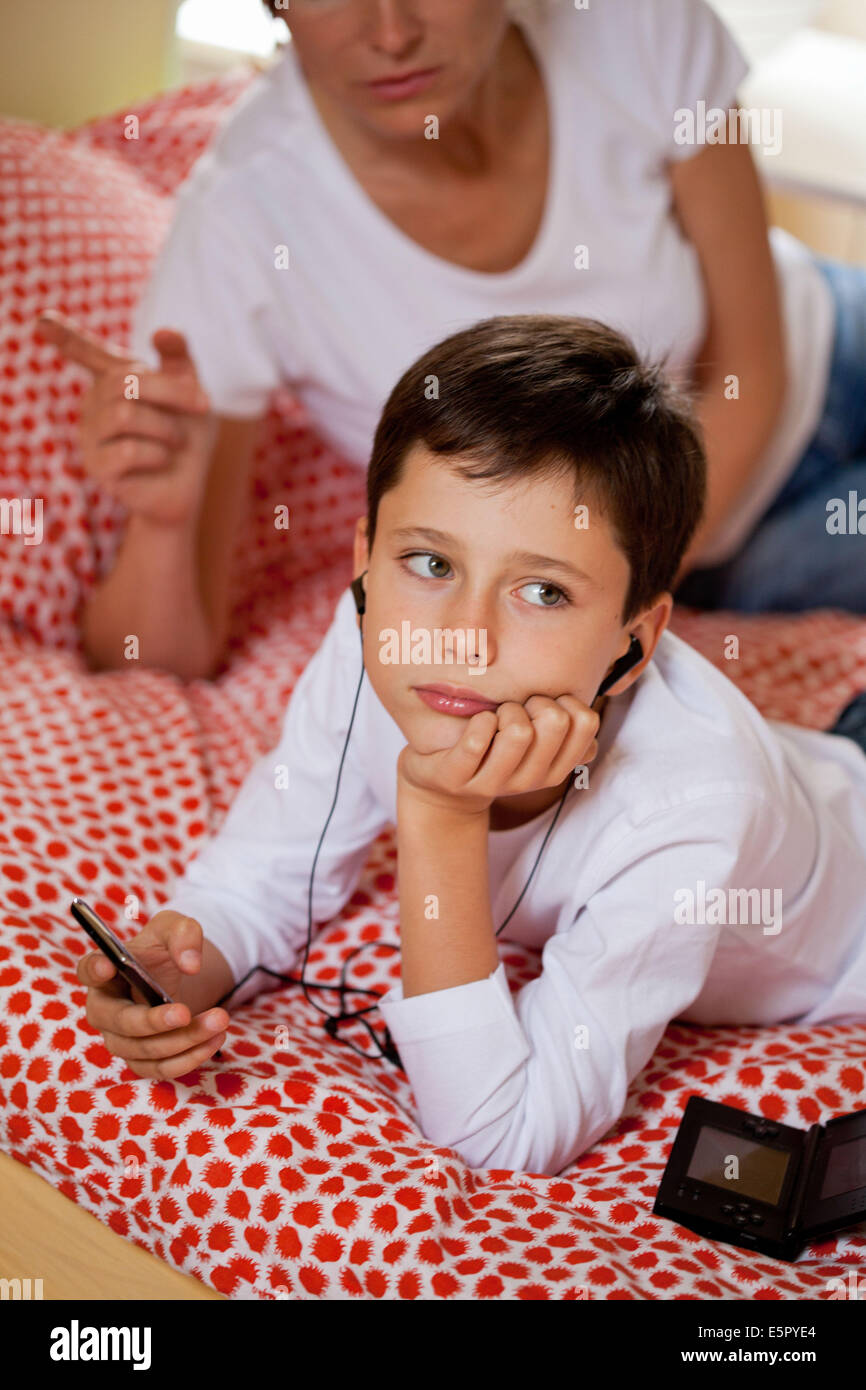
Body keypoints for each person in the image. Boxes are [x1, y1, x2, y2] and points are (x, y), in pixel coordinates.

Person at [78, 314, 866, 1177]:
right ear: (367, 564)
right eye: (430, 565)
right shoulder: (382, 637)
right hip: (817, 768)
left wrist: (442, 818)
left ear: (634, 644)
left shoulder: (690, 808)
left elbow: (500, 1133)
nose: (462, 638)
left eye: (541, 589)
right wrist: (179, 978)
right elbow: (265, 875)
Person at [39, 0, 865, 678]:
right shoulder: (240, 223)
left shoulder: (633, 24)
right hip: (734, 540)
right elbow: (154, 662)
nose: (391, 32)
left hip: (826, 336)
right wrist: (163, 520)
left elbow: (749, 366)